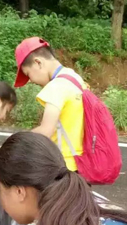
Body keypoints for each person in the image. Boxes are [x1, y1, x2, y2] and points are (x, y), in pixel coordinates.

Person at [13, 37, 88, 172]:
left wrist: (16, 143)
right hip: (81, 163)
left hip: (63, 166)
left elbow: (46, 131)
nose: (31, 81)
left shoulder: (56, 86)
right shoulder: (74, 77)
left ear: (38, 63)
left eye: (28, 74)